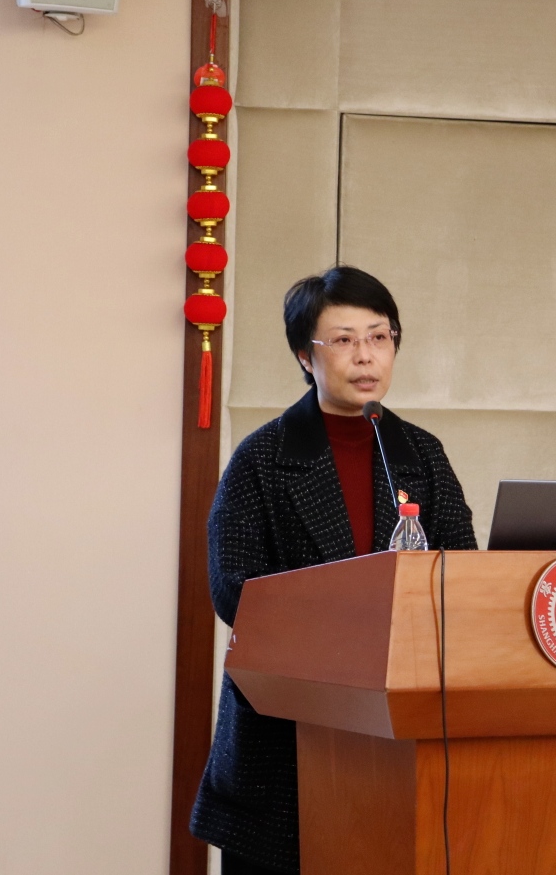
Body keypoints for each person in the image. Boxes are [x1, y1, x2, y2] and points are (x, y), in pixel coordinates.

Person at [189, 266, 477, 874]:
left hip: (398, 735)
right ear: (305, 354)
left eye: (380, 336)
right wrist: (348, 620)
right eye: (344, 340)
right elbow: (234, 590)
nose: (366, 356)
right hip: (283, 740)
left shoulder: (421, 454)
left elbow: (463, 576)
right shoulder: (262, 457)